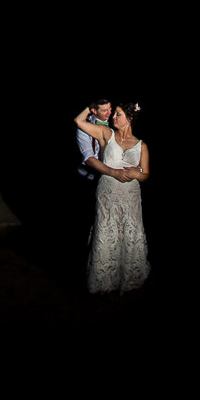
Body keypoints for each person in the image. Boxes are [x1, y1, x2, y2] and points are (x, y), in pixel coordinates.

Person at [71, 101, 149, 294]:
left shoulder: (141, 145)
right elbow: (78, 121)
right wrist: (90, 107)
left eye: (118, 114)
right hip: (107, 193)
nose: (112, 117)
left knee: (128, 234)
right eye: (113, 113)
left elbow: (146, 174)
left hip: (130, 197)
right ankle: (102, 282)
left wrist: (137, 174)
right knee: (106, 234)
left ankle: (128, 279)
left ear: (129, 119)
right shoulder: (106, 134)